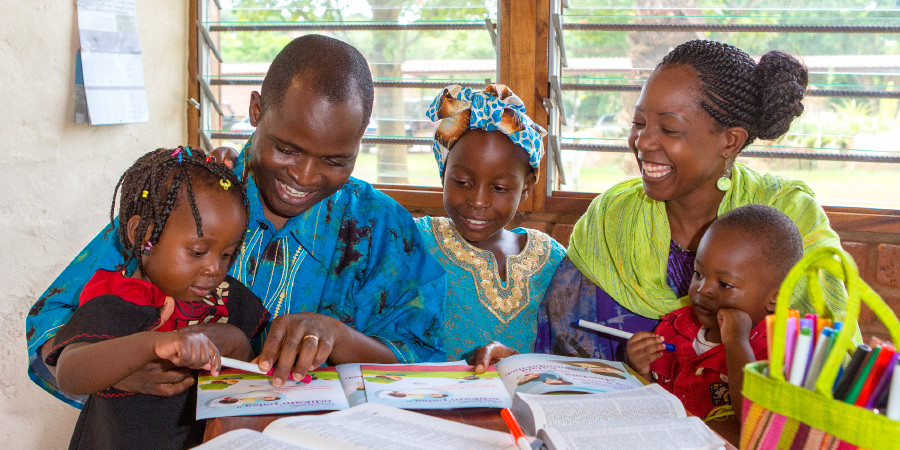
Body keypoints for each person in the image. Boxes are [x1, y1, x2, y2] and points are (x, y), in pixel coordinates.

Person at [26, 34, 446, 408]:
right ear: (256, 110)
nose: (303, 176)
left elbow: (423, 358)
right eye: (286, 148)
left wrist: (342, 337)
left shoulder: (382, 228)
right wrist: (122, 365)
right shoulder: (189, 196)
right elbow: (51, 320)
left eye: (336, 160)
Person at [534, 39, 847, 361]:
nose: (642, 142)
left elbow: (826, 358)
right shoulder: (612, 216)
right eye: (638, 123)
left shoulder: (789, 218)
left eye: (669, 129)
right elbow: (564, 344)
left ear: (730, 140)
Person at [44, 147, 269, 449]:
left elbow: (251, 368)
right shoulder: (115, 300)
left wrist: (231, 340)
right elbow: (70, 374)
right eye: (197, 252)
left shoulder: (227, 297)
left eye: (227, 254)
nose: (215, 268)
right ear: (144, 234)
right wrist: (156, 343)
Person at [625, 204, 804, 443]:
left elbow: (756, 424)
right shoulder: (675, 327)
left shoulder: (780, 346)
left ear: (775, 297)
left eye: (724, 284)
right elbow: (654, 402)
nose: (702, 289)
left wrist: (737, 343)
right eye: (699, 274)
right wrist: (640, 369)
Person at [415, 84, 565, 362]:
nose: (478, 201)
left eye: (499, 188)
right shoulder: (417, 242)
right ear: (443, 173)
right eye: (462, 182)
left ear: (526, 188)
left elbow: (566, 349)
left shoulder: (551, 259)